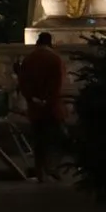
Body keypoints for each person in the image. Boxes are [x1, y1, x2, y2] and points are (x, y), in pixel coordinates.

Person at [16, 32, 67, 182]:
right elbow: (58, 84)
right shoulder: (55, 59)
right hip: (52, 107)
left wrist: (32, 98)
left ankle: (40, 171)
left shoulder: (29, 59)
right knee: (58, 138)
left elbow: (23, 83)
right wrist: (48, 100)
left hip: (35, 107)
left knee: (38, 140)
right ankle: (52, 167)